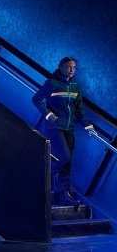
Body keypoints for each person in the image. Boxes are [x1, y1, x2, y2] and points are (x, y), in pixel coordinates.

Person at [32, 57, 95, 206]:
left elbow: (79, 109)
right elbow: (36, 99)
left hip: (69, 129)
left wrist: (88, 125)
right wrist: (47, 113)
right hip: (55, 128)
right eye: (69, 67)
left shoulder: (75, 87)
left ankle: (63, 193)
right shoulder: (51, 84)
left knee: (67, 163)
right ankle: (40, 179)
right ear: (60, 67)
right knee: (65, 158)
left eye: (74, 67)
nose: (72, 70)